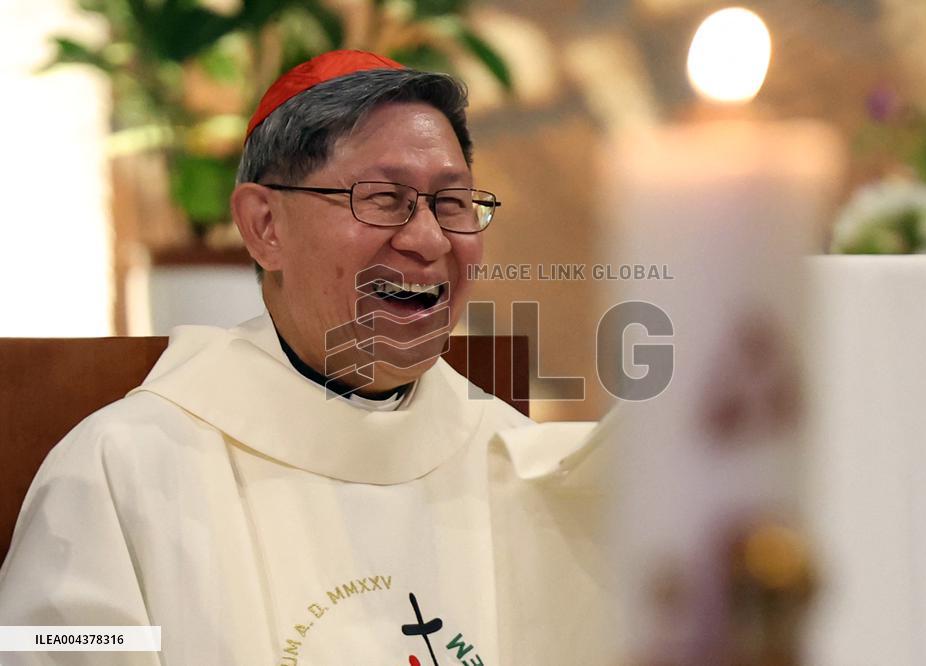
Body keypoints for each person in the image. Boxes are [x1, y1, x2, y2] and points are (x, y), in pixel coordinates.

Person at [0, 51, 606, 665]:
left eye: (451, 203)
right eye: (382, 198)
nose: (427, 240)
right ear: (265, 225)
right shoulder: (118, 471)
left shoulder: (517, 464)